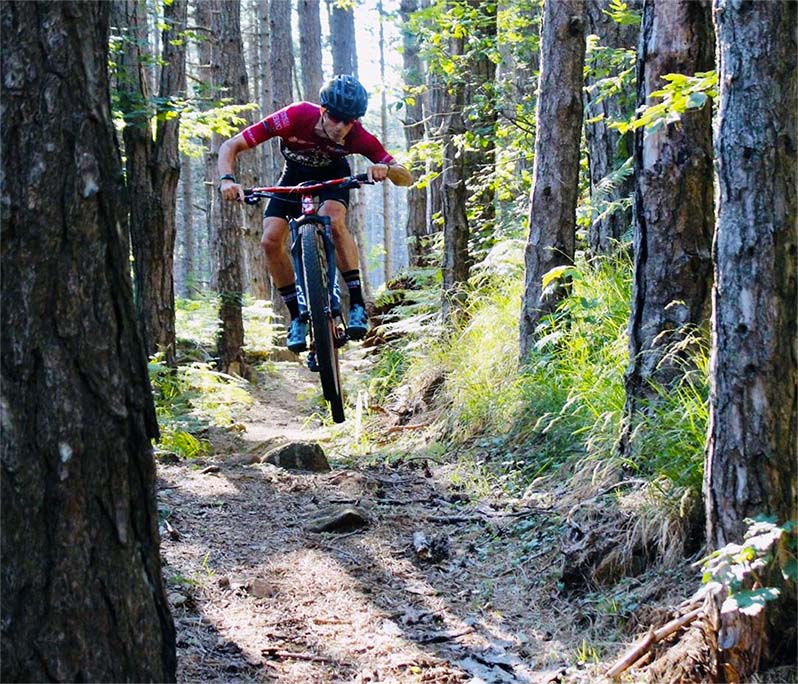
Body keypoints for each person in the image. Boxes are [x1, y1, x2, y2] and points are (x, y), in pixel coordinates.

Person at [218, 74, 413, 354]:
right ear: (323, 110)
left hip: (333, 177)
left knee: (333, 220)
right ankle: (297, 316)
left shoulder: (358, 136)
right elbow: (231, 145)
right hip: (292, 177)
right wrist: (227, 179)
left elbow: (405, 176)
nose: (343, 127)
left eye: (351, 120)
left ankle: (357, 303)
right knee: (270, 241)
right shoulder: (295, 116)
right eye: (336, 118)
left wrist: (386, 169)